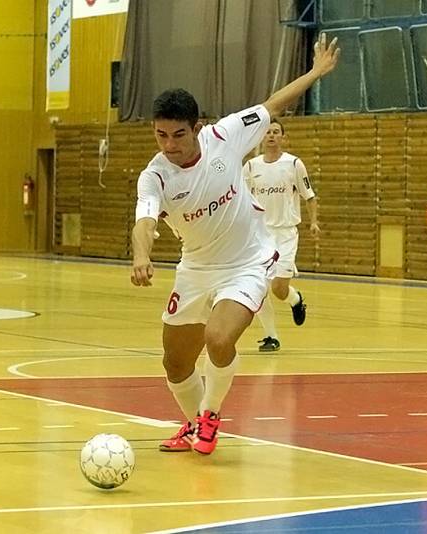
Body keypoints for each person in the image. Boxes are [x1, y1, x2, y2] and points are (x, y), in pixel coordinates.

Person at [130, 34, 340, 455]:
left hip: (248, 262)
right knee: (175, 363)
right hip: (195, 268)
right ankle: (192, 425)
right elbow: (145, 219)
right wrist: (141, 255)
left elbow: (272, 104)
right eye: (161, 135)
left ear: (199, 129)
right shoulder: (155, 175)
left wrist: (316, 72)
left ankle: (209, 416)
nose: (169, 145)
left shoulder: (226, 136)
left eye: (178, 135)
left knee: (219, 338)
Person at [243, 119, 319, 352]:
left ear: (283, 137)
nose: (271, 136)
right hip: (260, 236)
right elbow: (241, 200)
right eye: (267, 132)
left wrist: (314, 222)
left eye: (276, 132)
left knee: (279, 288)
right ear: (262, 138)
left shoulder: (294, 164)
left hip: (285, 234)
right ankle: (270, 337)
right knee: (259, 289)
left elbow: (309, 196)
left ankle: (295, 299)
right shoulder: (251, 167)